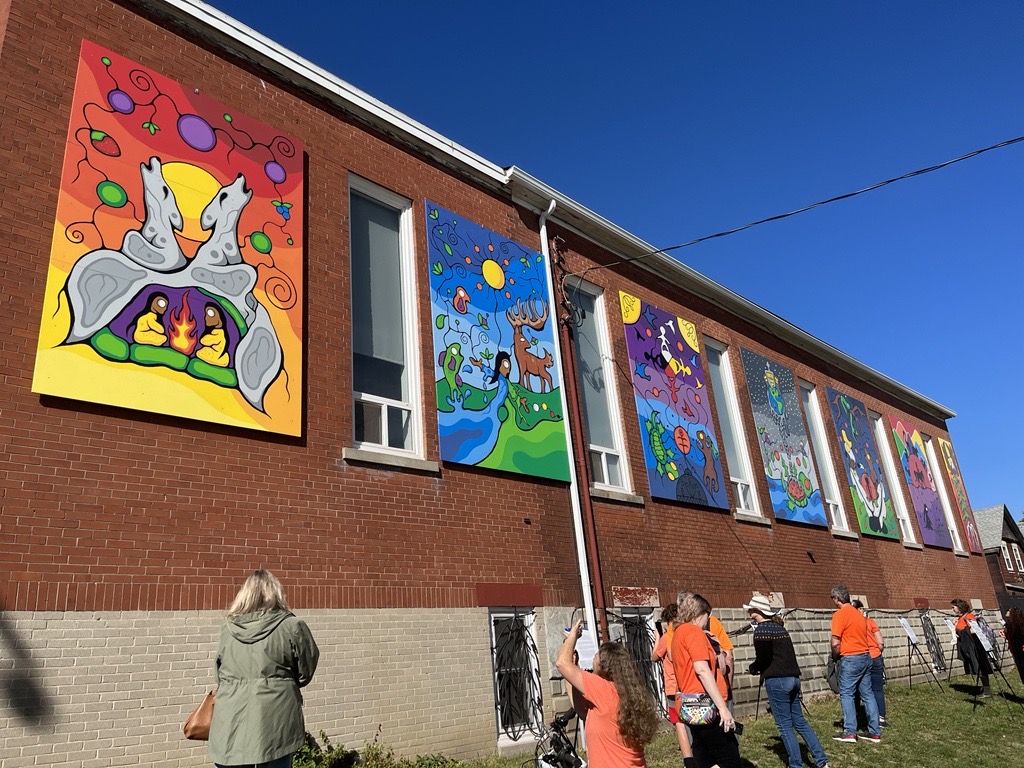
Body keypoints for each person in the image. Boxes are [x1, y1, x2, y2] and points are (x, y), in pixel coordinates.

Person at [210, 569, 320, 768]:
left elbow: (219, 675)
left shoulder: (227, 629)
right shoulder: (292, 626)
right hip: (276, 719)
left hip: (230, 720)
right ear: (276, 592)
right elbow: (306, 670)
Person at [556, 620, 659, 767]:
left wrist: (572, 636)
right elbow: (582, 711)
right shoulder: (626, 693)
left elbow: (561, 663)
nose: (593, 656)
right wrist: (574, 667)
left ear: (604, 664)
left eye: (597, 655)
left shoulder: (603, 689)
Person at [745, 595, 830, 768]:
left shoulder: (761, 631)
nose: (749, 612)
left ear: (757, 612)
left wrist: (753, 668)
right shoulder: (779, 628)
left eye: (751, 609)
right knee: (799, 721)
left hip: (777, 681)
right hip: (793, 679)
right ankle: (821, 762)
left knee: (784, 726)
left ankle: (796, 765)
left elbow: (763, 659)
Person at [672, 593, 739, 768]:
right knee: (730, 759)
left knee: (704, 756)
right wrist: (723, 708)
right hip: (705, 705)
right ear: (699, 614)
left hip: (690, 704)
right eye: (706, 617)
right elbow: (702, 670)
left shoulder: (678, 632)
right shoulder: (694, 632)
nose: (707, 622)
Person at [829, 584, 880, 744]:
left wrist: (835, 656)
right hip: (866, 655)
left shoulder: (839, 614)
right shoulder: (858, 615)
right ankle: (875, 731)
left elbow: (835, 640)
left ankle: (850, 731)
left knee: (847, 693)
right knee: (868, 694)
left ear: (836, 599)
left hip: (850, 658)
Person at [652, 603, 695, 767]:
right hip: (689, 685)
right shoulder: (687, 633)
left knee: (680, 723)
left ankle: (688, 759)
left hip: (673, 688)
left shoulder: (667, 637)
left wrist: (657, 637)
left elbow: (654, 657)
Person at [852, 599, 887, 727]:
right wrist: (878, 651)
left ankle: (855, 716)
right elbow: (880, 642)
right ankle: (881, 717)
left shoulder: (853, 625)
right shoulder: (871, 622)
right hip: (875, 656)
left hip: (861, 657)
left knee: (858, 690)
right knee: (877, 688)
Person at [950, 598, 992, 697]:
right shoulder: (960, 618)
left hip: (974, 647)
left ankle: (987, 690)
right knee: (976, 667)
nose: (952, 609)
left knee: (980, 667)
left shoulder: (969, 616)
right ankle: (985, 688)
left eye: (953, 607)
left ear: (959, 607)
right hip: (967, 646)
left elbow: (974, 629)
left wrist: (961, 632)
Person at [1003, 607, 1024, 685]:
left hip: (1020, 649)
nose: (1006, 613)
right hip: (1016, 650)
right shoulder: (1010, 624)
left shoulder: (1015, 625)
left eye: (1008, 611)